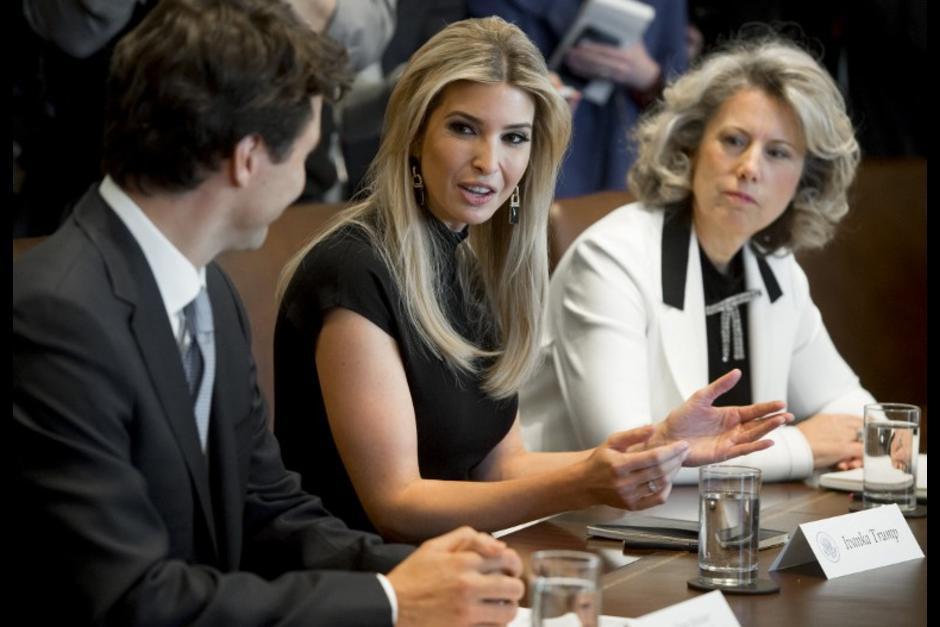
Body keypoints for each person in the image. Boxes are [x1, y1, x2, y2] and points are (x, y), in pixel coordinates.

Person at [12, 1, 526, 625]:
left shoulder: (207, 291)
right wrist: (393, 601)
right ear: (249, 156)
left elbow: (269, 508)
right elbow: (131, 597)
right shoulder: (56, 316)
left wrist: (417, 569)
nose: (307, 173)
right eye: (305, 151)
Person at [273, 16, 791, 543]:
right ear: (414, 132)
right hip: (361, 582)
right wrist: (581, 486)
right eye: (464, 128)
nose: (488, 163)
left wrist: (655, 448)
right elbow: (396, 505)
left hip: (456, 568)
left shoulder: (473, 265)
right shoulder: (352, 269)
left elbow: (502, 467)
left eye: (514, 138)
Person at [520, 38, 874, 482]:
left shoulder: (775, 267)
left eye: (778, 152)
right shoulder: (611, 259)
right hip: (580, 536)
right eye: (733, 140)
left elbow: (847, 407)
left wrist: (876, 439)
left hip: (716, 528)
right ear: (690, 145)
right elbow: (628, 453)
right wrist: (803, 446)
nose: (750, 167)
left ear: (807, 179)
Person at [467, 0, 688, 197]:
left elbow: (685, 102)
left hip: (627, 155)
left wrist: (648, 75)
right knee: (521, 222)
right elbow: (472, 67)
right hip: (534, 150)